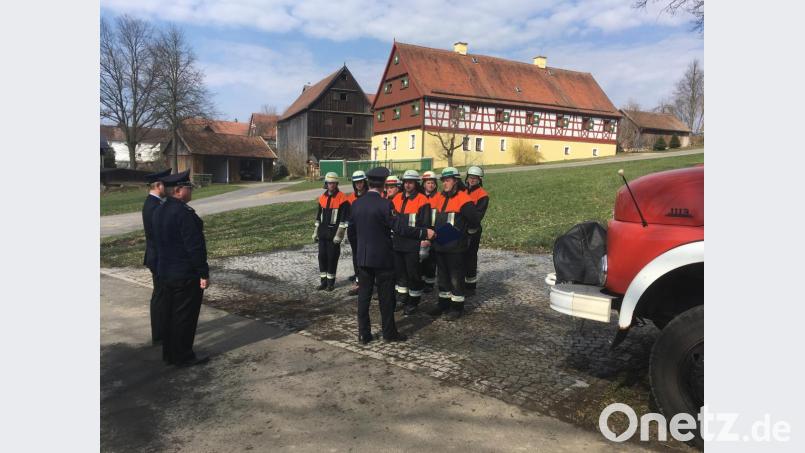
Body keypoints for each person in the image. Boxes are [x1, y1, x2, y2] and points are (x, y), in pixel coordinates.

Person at [350, 167, 435, 343]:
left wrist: (359, 251)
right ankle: (389, 332)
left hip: (363, 259)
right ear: (382, 184)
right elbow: (400, 228)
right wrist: (423, 233)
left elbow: (352, 232)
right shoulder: (385, 204)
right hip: (382, 259)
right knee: (386, 298)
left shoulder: (357, 204)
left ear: (368, 183)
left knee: (364, 297)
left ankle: (363, 333)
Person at [152, 170, 210, 367]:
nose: (191, 191)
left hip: (166, 271)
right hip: (185, 274)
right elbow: (194, 247)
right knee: (184, 317)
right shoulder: (184, 214)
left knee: (170, 315)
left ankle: (170, 353)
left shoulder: (160, 209)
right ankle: (183, 355)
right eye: (188, 187)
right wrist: (203, 272)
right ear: (178, 190)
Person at [428, 167, 480, 321]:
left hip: (456, 246)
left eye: (448, 180)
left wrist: (465, 235)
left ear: (456, 181)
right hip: (440, 244)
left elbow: (474, 220)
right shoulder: (439, 197)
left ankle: (457, 307)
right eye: (443, 180)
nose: (445, 183)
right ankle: (443, 303)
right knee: (442, 277)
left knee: (456, 278)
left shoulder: (463, 198)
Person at [392, 170, 432, 315]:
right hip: (398, 242)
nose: (408, 185)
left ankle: (413, 301)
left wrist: (424, 242)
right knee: (400, 273)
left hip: (413, 244)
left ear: (416, 184)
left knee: (413, 273)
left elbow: (426, 224)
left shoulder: (422, 200)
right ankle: (402, 298)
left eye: (411, 182)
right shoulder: (396, 198)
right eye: (406, 182)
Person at [142, 168, 171, 345]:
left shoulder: (154, 203)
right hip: (158, 258)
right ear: (159, 185)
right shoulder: (153, 206)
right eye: (166, 185)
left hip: (158, 256)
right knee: (160, 296)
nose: (167, 189)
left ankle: (162, 331)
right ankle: (160, 335)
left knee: (161, 295)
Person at [313, 172, 350, 291]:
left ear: (336, 183)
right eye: (329, 183)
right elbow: (319, 217)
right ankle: (323, 282)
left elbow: (345, 219)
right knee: (322, 257)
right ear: (326, 184)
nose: (331, 185)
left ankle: (330, 283)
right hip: (323, 234)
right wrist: (315, 231)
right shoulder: (322, 198)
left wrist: (340, 234)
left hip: (334, 234)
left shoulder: (342, 198)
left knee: (332, 258)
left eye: (333, 183)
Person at [464, 166, 490, 294]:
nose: (472, 180)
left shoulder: (482, 195)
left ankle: (470, 286)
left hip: (472, 230)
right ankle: (460, 281)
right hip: (461, 229)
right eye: (470, 177)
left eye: (475, 178)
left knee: (470, 257)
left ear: (479, 180)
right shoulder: (463, 191)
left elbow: (478, 215)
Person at [345, 170, 368, 296]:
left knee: (368, 257)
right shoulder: (351, 198)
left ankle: (368, 281)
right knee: (356, 257)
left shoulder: (369, 196)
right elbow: (349, 217)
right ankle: (359, 281)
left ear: (365, 182)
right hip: (354, 233)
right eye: (356, 182)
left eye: (361, 182)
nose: (359, 184)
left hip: (367, 231)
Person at [420, 170, 439, 293]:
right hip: (422, 231)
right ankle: (421, 279)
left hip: (435, 230)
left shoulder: (440, 197)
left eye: (432, 183)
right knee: (421, 258)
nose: (430, 185)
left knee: (432, 258)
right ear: (423, 184)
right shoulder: (420, 197)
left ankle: (430, 283)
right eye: (428, 183)